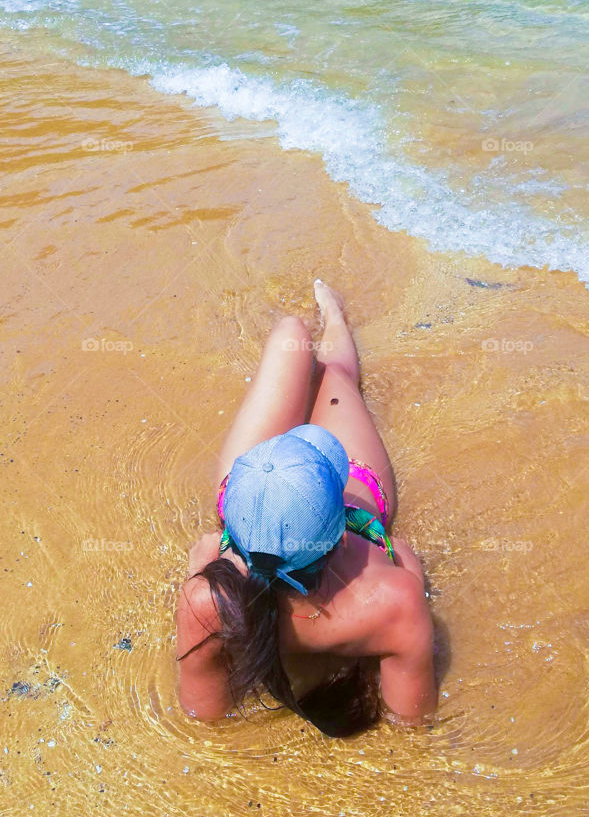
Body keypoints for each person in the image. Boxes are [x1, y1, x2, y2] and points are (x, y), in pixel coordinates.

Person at [176, 280, 437, 737]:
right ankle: (333, 316)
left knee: (291, 335)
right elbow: (412, 722)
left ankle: (319, 324)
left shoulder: (207, 602)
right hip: (293, 502)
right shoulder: (393, 601)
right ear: (340, 534)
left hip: (261, 493)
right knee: (335, 376)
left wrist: (201, 568)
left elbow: (205, 716)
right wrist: (408, 571)